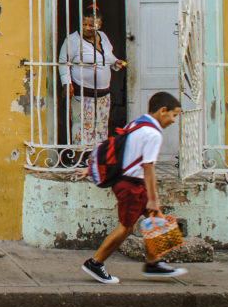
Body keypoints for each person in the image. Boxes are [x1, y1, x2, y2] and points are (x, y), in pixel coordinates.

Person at [78, 91, 188, 284]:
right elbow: (149, 167)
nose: (173, 120)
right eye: (174, 115)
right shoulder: (153, 134)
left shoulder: (136, 124)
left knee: (154, 217)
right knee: (126, 227)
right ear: (163, 111)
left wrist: (91, 169)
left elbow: (118, 149)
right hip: (131, 185)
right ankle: (95, 262)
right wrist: (153, 199)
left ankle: (154, 263)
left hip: (129, 182)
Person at [58, 5, 127, 156]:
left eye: (92, 25)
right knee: (82, 127)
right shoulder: (73, 40)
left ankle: (96, 160)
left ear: (99, 25)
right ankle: (79, 159)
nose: (87, 28)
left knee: (101, 128)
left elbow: (108, 57)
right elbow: (63, 62)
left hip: (103, 94)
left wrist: (116, 63)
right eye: (84, 24)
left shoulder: (103, 37)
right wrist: (67, 83)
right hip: (83, 93)